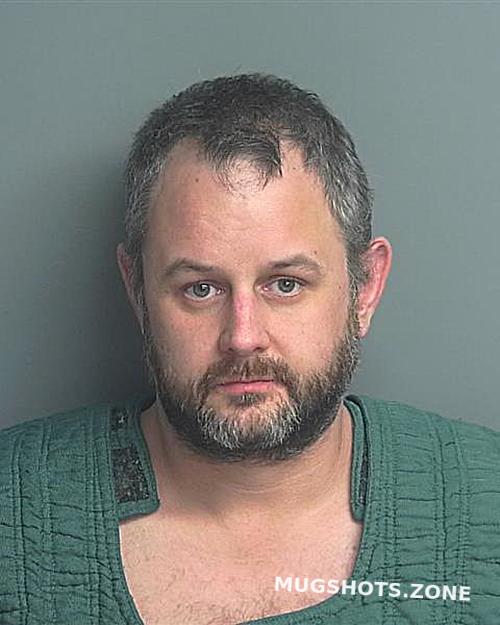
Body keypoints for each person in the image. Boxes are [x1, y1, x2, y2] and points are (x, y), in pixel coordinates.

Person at [0, 73, 499, 625]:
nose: (242, 337)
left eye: (285, 284)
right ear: (137, 289)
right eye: (201, 289)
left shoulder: (487, 500)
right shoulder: (12, 509)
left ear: (365, 288)